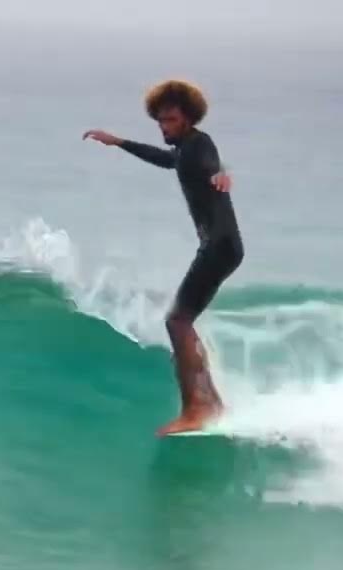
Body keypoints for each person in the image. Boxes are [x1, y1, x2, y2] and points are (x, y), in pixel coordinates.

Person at [84, 79, 244, 436]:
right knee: (181, 321)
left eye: (170, 120)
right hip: (222, 246)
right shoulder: (186, 148)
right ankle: (210, 401)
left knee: (177, 322)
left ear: (188, 118)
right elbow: (167, 160)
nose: (163, 128)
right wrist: (120, 142)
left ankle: (198, 408)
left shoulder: (199, 146)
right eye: (160, 121)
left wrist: (222, 174)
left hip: (219, 245)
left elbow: (211, 165)